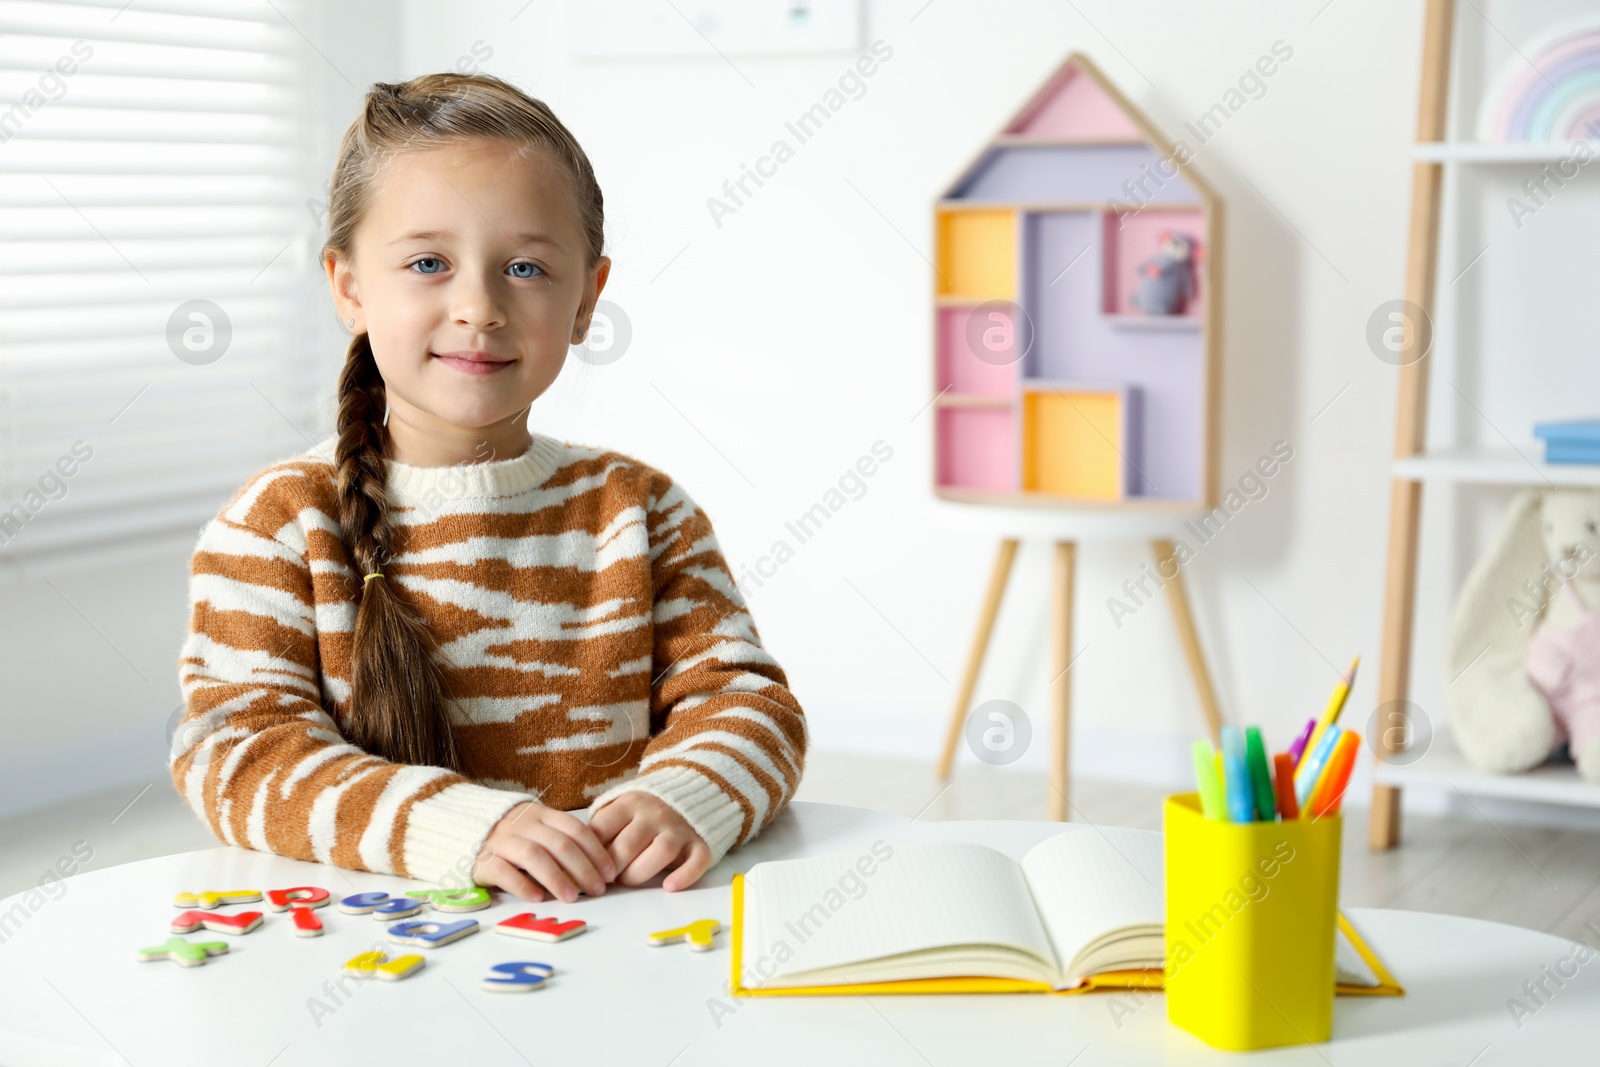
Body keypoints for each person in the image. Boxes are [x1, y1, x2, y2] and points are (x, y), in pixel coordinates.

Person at [171, 72, 806, 903]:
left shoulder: (644, 513)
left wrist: (681, 795)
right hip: (370, 966)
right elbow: (236, 753)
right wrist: (460, 825)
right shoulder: (278, 525)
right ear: (349, 286)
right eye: (428, 262)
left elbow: (747, 702)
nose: (480, 305)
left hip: (611, 949)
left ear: (587, 300)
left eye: (526, 267)